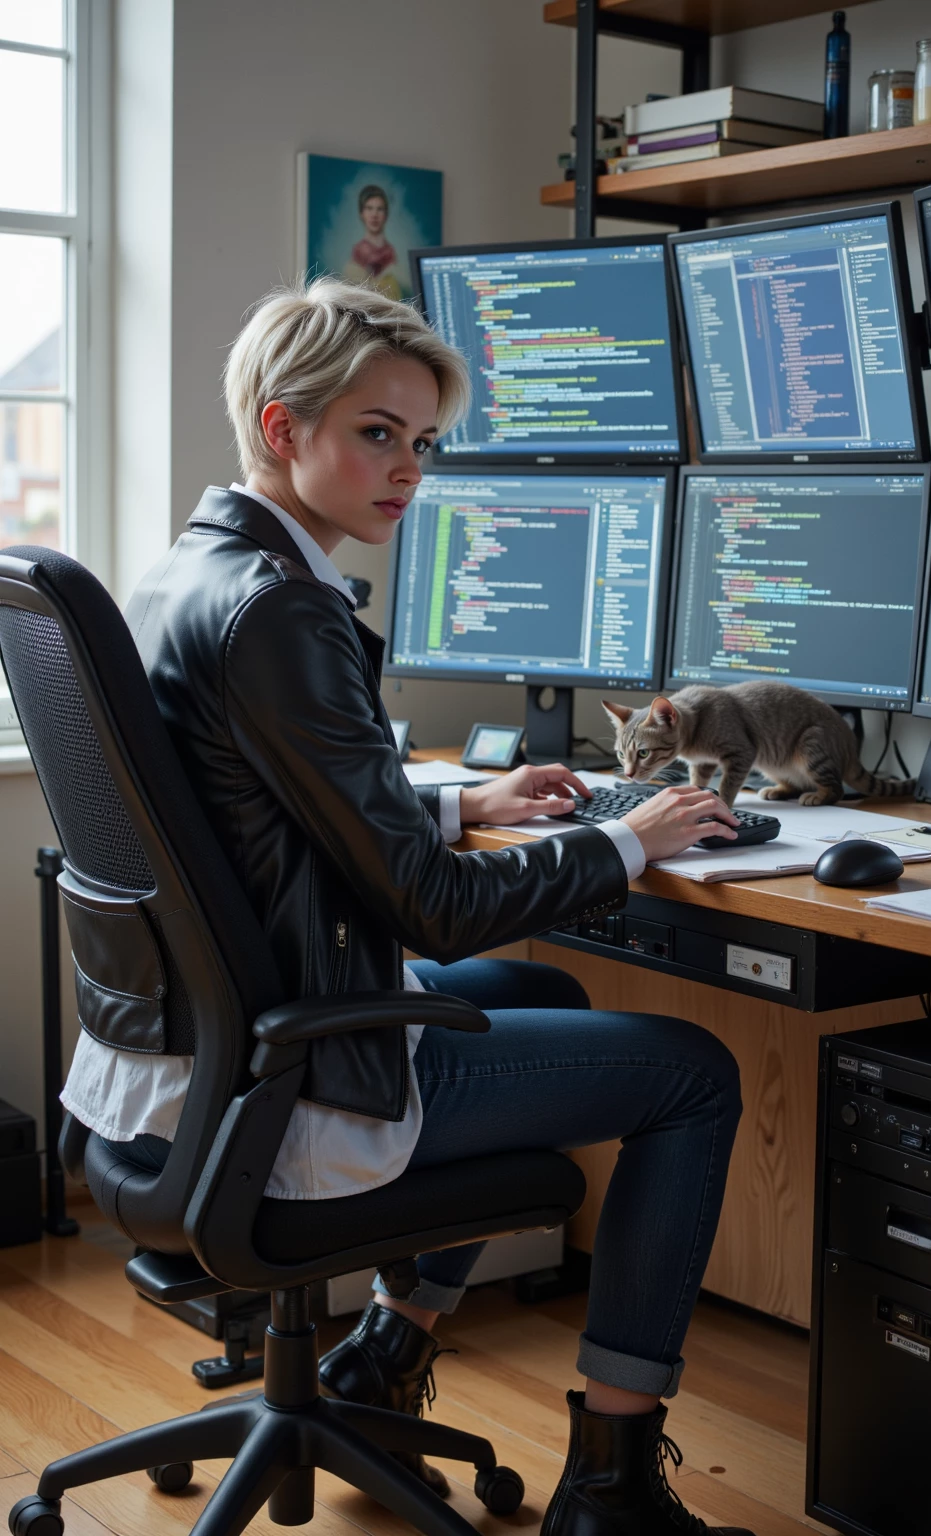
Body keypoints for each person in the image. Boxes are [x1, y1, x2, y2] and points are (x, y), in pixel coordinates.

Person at [60, 276, 751, 1536]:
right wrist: (626, 840)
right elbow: (431, 914)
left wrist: (458, 804)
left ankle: (383, 1350)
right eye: (378, 434)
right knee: (692, 1071)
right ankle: (608, 1483)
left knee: (538, 991)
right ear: (284, 427)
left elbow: (239, 819)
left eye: (423, 441)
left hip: (181, 1065)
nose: (410, 470)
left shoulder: (191, 572)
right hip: (285, 1094)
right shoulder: (283, 611)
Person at [343, 183, 402, 299]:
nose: (374, 215)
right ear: (361, 213)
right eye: (369, 208)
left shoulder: (392, 255)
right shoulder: (357, 255)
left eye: (379, 209)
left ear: (386, 214)